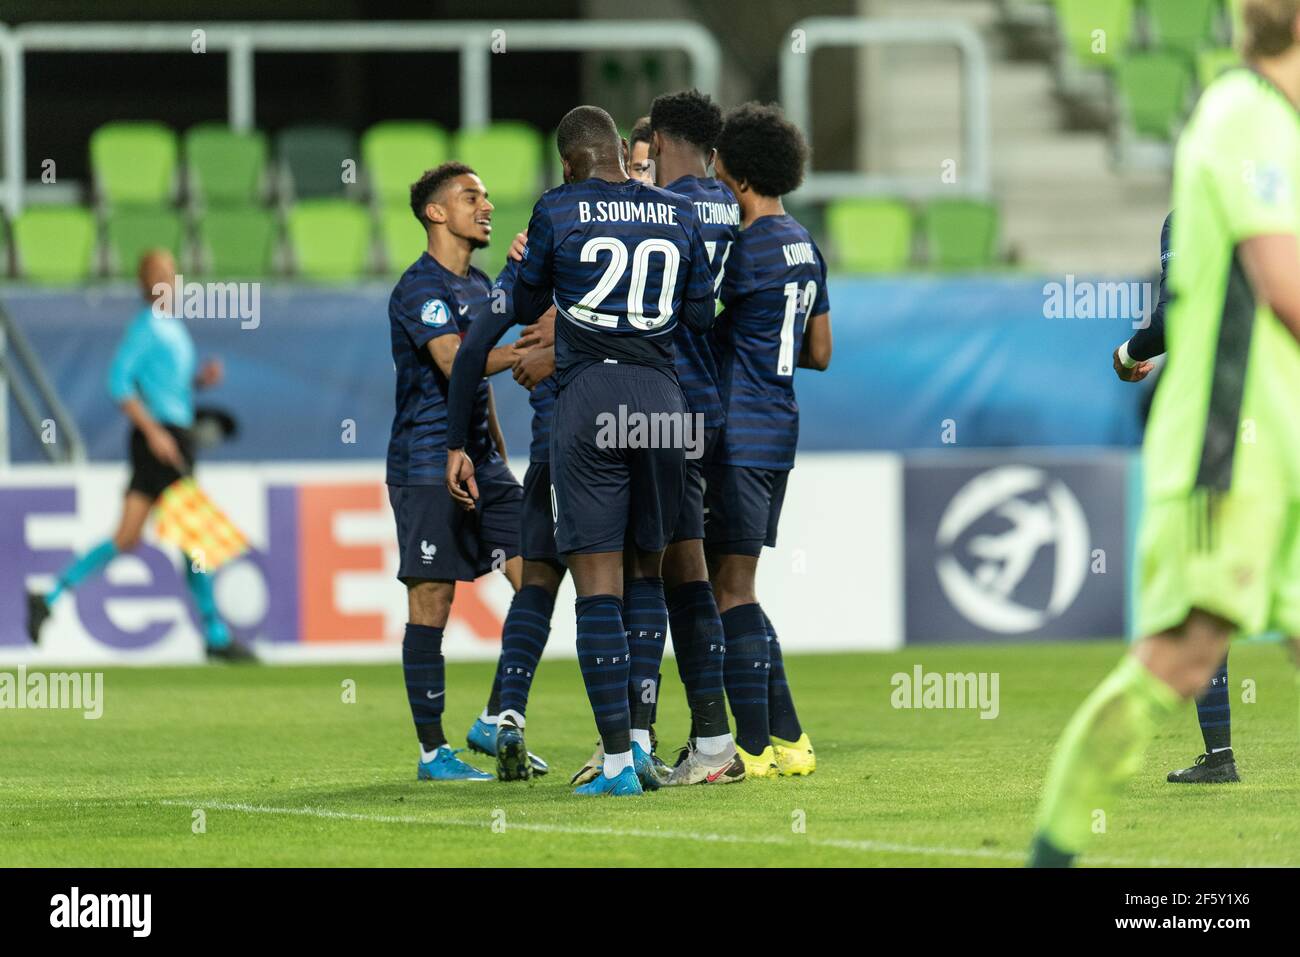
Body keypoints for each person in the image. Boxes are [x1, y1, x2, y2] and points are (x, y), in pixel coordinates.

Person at [1031, 0, 1300, 865]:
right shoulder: (1243, 119)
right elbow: (1284, 289)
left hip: (1283, 442)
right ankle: (1054, 851)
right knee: (1177, 661)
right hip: (1233, 452)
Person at [448, 104, 716, 796]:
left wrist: (460, 436)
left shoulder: (559, 209)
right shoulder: (678, 214)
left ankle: (619, 764)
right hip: (664, 404)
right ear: (623, 156)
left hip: (590, 400)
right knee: (648, 574)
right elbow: (697, 317)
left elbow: (520, 303)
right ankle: (648, 738)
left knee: (595, 581)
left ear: (570, 162)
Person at [387, 162, 545, 783]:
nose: (486, 205)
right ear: (435, 213)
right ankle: (433, 754)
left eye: (486, 195)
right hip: (427, 464)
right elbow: (458, 363)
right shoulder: (419, 289)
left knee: (540, 577)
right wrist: (536, 352)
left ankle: (494, 716)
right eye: (470, 196)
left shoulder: (483, 287)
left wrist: (501, 455)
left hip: (485, 463)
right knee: (433, 601)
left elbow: (478, 388)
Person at [26, 250, 253, 662]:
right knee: (195, 537)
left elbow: (167, 388)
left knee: (129, 537)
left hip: (169, 436)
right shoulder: (146, 327)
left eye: (172, 272)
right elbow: (119, 384)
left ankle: (51, 595)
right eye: (162, 274)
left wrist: (198, 381)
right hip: (162, 442)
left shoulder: (169, 328)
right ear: (149, 284)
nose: (171, 280)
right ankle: (215, 634)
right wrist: (154, 432)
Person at [706, 102, 833, 777]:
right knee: (741, 587)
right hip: (779, 427)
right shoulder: (804, 244)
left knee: (728, 591)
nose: (717, 183)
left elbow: (692, 319)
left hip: (735, 429)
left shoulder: (742, 249)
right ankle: (788, 739)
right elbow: (820, 350)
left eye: (721, 174)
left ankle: (749, 747)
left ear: (743, 178)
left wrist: (730, 338)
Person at [1113, 212, 1239, 785]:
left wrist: (1127, 352)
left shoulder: (1194, 211)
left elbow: (1176, 314)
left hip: (1225, 426)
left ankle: (1219, 755)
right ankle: (1218, 756)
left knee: (1201, 595)